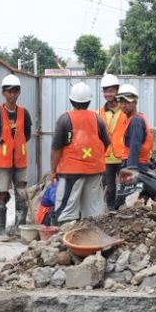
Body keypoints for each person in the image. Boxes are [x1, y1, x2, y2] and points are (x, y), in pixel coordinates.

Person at [50, 81, 112, 224]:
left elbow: (56, 149)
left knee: (66, 210)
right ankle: (93, 238)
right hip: (95, 171)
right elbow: (107, 143)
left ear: (71, 100)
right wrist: (94, 159)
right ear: (89, 101)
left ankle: (66, 238)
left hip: (71, 172)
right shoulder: (98, 119)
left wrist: (53, 170)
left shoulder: (64, 119)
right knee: (93, 209)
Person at [0, 75, 33, 235]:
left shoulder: (24, 113)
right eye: (9, 91)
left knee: (21, 193)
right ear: (3, 92)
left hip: (20, 161)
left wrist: (17, 146)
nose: (12, 95)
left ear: (19, 92)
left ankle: (19, 228)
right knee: (2, 193)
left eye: (15, 91)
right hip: (2, 162)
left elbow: (26, 134)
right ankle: (1, 230)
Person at [99, 73, 124, 209]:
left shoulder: (125, 111)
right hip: (106, 158)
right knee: (109, 190)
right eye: (106, 91)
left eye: (111, 91)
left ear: (117, 91)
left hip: (122, 157)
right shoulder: (99, 113)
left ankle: (123, 214)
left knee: (126, 188)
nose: (108, 94)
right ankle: (111, 213)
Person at [114, 84, 152, 168]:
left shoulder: (136, 121)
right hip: (136, 164)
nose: (123, 105)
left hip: (136, 165)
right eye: (121, 102)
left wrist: (131, 170)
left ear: (135, 102)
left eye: (127, 102)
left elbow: (134, 149)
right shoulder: (132, 119)